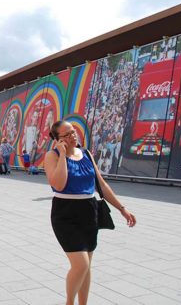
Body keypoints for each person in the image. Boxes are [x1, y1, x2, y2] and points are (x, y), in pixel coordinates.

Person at [44, 120, 136, 305]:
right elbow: (59, 184)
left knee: (87, 267)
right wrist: (63, 155)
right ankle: (70, 302)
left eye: (73, 131)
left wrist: (122, 209)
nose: (73, 135)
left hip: (89, 212)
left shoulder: (85, 153)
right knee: (81, 265)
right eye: (67, 134)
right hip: (65, 214)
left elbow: (101, 184)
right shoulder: (52, 156)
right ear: (57, 139)